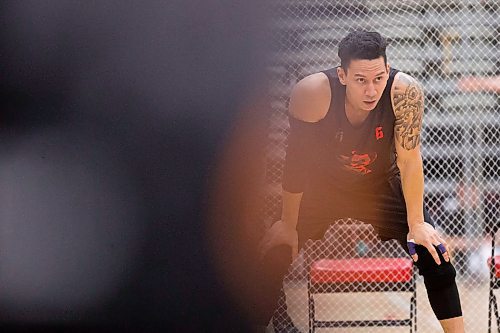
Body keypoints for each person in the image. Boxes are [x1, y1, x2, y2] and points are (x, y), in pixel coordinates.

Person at [257, 31, 465, 332]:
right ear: (342, 75)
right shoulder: (312, 93)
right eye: (360, 80)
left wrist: (417, 223)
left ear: (388, 69)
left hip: (379, 185)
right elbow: (296, 162)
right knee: (273, 253)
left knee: (436, 256)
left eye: (379, 78)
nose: (371, 90)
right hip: (323, 187)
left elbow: (408, 160)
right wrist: (288, 223)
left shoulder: (404, 92)